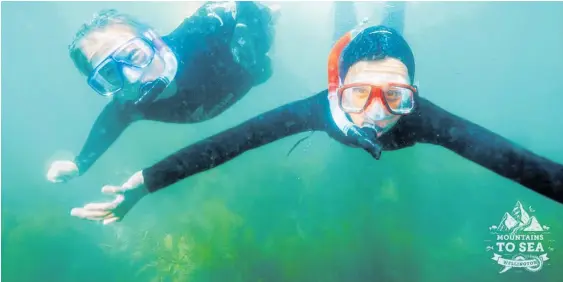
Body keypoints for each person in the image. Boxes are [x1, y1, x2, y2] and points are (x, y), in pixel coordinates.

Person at [70, 2, 563, 225]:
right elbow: (226, 145)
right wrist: (145, 182)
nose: (376, 113)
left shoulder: (425, 119)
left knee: (392, 15)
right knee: (345, 23)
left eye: (396, 98)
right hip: (340, 58)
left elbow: (515, 163)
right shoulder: (317, 109)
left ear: (415, 95)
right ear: (335, 90)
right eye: (356, 95)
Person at [46, 1, 280, 183]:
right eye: (109, 74)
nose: (132, 77)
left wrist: (254, 20)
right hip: (248, 73)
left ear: (155, 41)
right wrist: (78, 165)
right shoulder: (130, 107)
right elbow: (106, 126)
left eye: (133, 55)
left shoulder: (202, 32)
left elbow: (237, 4)